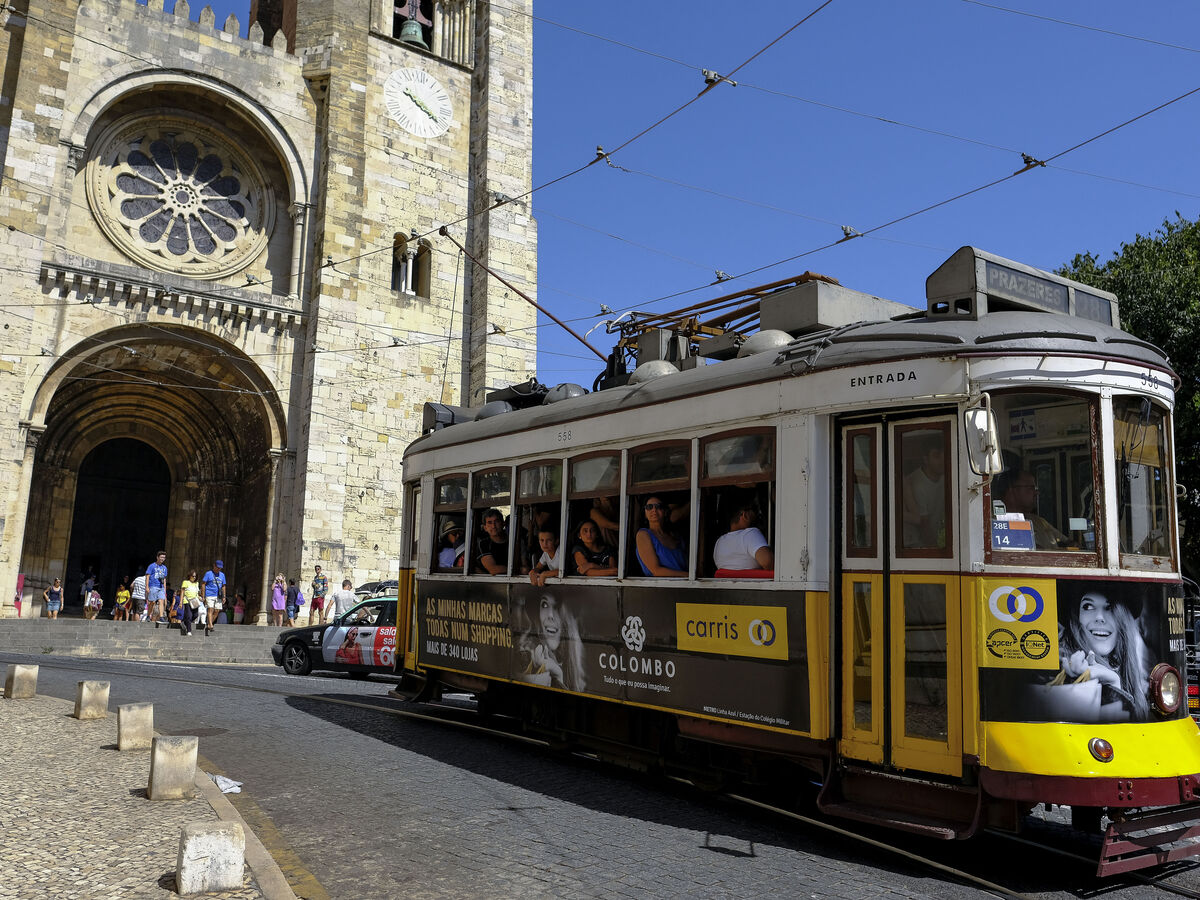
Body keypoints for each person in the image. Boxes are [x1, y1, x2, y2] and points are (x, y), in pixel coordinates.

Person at [1046, 590, 1149, 723]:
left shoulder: (1121, 668)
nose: (1099, 617)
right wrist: (1113, 693)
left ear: (1123, 621)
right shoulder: (1059, 669)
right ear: (1076, 617)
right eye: (1088, 606)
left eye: (1110, 607)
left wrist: (1114, 685)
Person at [518, 592, 584, 692]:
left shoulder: (572, 662)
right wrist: (557, 677)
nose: (550, 615)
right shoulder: (528, 655)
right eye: (544, 605)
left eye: (558, 607)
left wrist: (558, 674)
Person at [996, 469, 1070, 550]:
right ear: (1011, 490)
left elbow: (1066, 541)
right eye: (1031, 488)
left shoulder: (1039, 521)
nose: (1036, 492)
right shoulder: (995, 523)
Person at [902, 441, 946, 549]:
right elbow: (923, 523)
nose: (942, 460)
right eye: (936, 456)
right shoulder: (917, 484)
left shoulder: (946, 476)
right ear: (925, 460)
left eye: (943, 455)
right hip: (920, 546)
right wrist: (936, 549)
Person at [713, 498, 774, 573]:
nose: (757, 514)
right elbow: (768, 562)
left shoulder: (719, 541)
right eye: (755, 510)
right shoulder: (751, 533)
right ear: (745, 515)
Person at [635, 495, 687, 577]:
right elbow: (656, 571)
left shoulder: (675, 536)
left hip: (686, 585)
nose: (654, 510)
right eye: (649, 507)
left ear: (665, 511)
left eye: (658, 506)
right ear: (645, 513)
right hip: (661, 587)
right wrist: (688, 576)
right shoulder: (643, 535)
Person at [475, 508, 509, 575]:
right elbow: (493, 570)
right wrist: (516, 569)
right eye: (489, 523)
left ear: (503, 523)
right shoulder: (484, 544)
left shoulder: (513, 541)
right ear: (485, 528)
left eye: (497, 521)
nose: (493, 526)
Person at [201, 560, 226, 635]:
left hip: (218, 595)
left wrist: (224, 596)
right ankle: (211, 625)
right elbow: (203, 584)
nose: (219, 569)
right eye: (217, 567)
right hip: (209, 594)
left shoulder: (222, 575)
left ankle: (209, 623)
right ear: (214, 565)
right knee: (210, 609)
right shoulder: (208, 574)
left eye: (220, 568)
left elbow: (224, 586)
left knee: (217, 611)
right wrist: (203, 595)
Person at [146, 550, 168, 625]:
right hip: (153, 586)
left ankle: (161, 617)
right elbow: (147, 576)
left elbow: (164, 579)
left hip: (161, 587)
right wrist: (147, 587)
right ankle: (148, 615)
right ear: (157, 557)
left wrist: (165, 589)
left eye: (164, 557)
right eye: (161, 557)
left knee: (161, 601)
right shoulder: (152, 566)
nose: (162, 559)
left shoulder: (164, 568)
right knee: (152, 602)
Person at [179, 569, 201, 636]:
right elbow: (182, 592)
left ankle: (184, 622)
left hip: (195, 601)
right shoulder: (185, 582)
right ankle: (189, 630)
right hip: (187, 601)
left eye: (195, 576)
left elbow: (197, 593)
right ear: (190, 576)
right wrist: (181, 602)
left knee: (195, 615)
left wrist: (200, 597)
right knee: (189, 615)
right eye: (193, 576)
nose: (194, 577)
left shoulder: (196, 583)